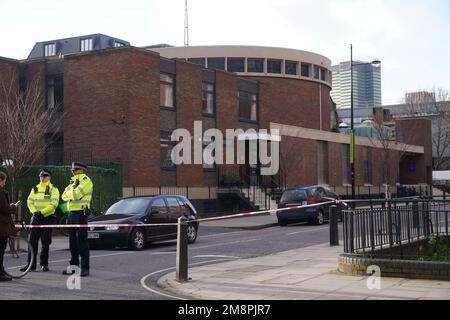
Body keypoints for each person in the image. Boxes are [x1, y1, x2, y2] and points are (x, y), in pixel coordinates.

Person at [22, 169, 59, 272]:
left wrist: (41, 213)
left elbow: (54, 204)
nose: (42, 178)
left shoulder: (53, 189)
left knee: (45, 242)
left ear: (49, 177)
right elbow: (30, 201)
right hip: (35, 217)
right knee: (32, 241)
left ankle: (44, 264)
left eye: (45, 176)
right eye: (41, 176)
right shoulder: (35, 188)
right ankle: (30, 264)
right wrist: (34, 212)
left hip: (47, 218)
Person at [61, 162, 93, 277]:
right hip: (71, 214)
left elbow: (75, 196)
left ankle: (85, 268)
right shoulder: (73, 182)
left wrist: (70, 194)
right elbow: (63, 196)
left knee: (82, 242)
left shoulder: (86, 181)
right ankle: (74, 267)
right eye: (72, 170)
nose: (72, 171)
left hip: (81, 214)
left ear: (82, 170)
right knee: (72, 242)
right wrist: (71, 194)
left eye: (75, 170)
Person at [0, 171, 17, 282]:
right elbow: (5, 209)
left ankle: (2, 272)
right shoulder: (1, 193)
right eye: (4, 181)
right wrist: (13, 207)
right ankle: (1, 275)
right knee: (1, 251)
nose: (4, 183)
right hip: (2, 226)